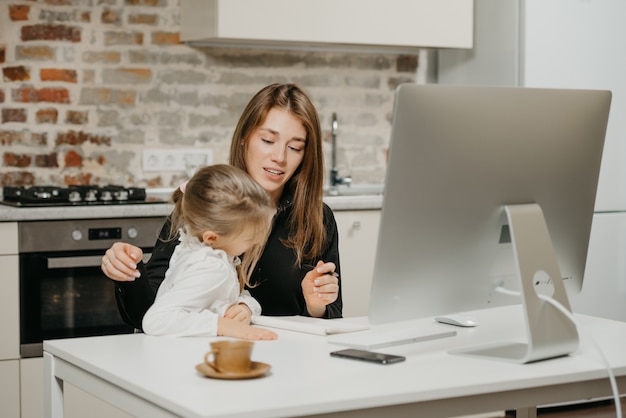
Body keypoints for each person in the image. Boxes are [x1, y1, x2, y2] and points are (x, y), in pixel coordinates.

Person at [102, 83, 342, 330]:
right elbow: (151, 313)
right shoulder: (206, 203)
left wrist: (316, 306)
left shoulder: (318, 218)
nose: (280, 157)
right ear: (243, 139)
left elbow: (333, 320)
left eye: (294, 147)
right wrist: (129, 272)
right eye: (268, 140)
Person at [142, 164, 278, 340]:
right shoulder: (211, 267)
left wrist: (246, 306)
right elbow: (155, 320)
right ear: (212, 238)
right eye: (251, 238)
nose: (258, 242)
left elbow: (230, 295)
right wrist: (223, 325)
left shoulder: (203, 250)